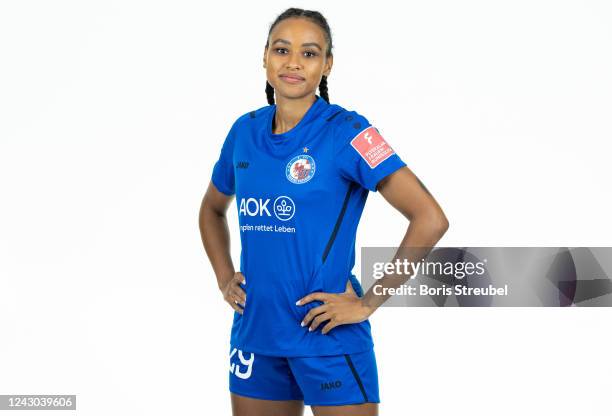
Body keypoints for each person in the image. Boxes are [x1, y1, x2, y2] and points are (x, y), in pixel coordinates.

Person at [199, 7, 449, 416]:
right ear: (264, 57)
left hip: (328, 338)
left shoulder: (348, 132)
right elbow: (211, 210)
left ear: (327, 64)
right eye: (282, 49)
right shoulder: (243, 131)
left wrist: (368, 302)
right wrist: (225, 277)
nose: (293, 62)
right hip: (255, 336)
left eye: (310, 53)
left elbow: (430, 218)